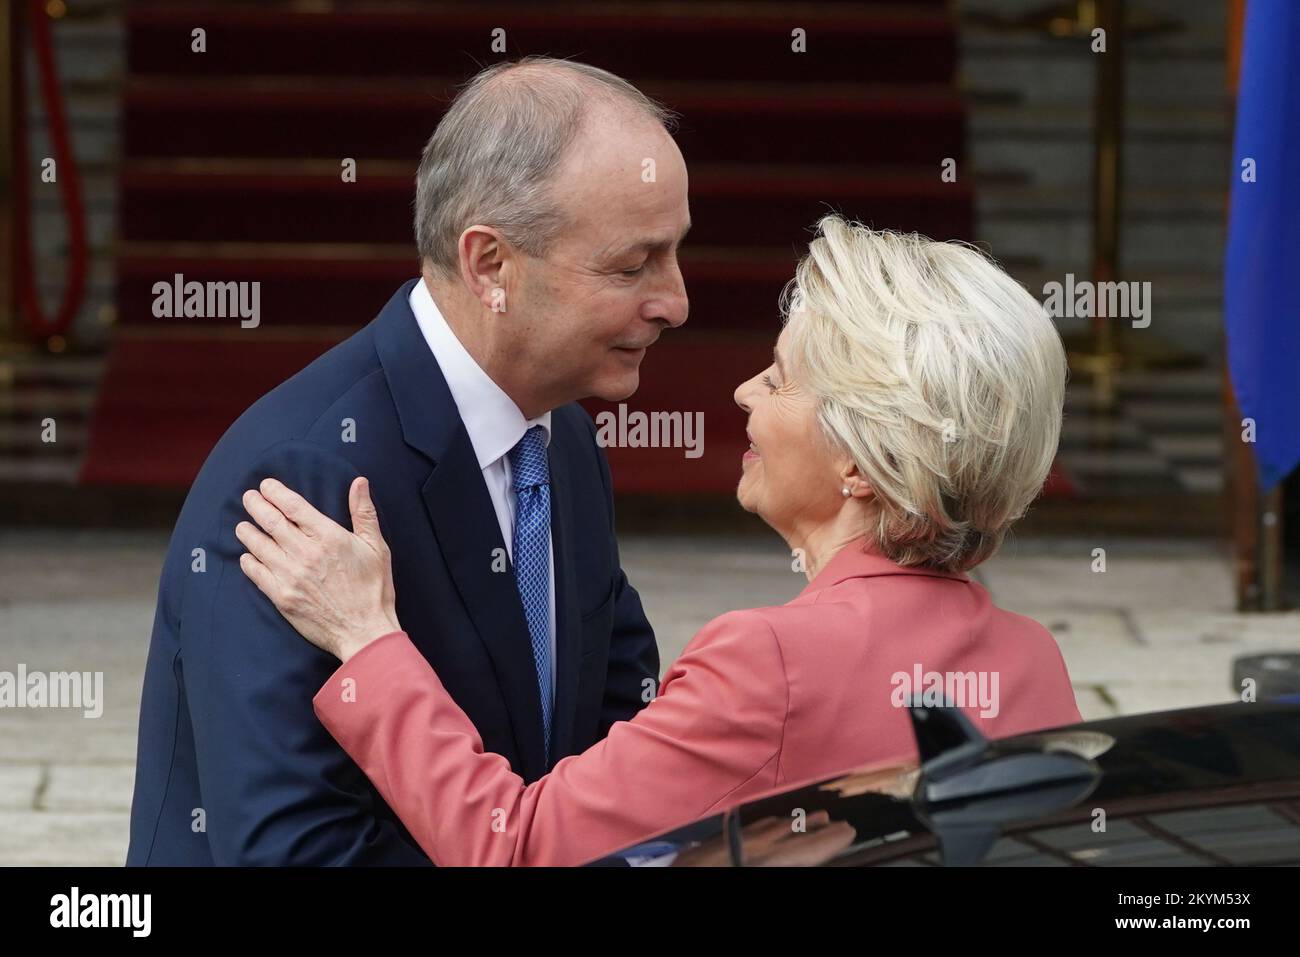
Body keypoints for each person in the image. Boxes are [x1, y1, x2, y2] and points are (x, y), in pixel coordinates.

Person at [236, 215, 1083, 867]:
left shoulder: (771, 661)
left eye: (782, 378)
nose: (748, 391)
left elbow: (516, 846)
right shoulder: (1032, 656)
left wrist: (367, 638)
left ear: (860, 463)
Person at [127, 57, 688, 865]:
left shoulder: (560, 436)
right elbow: (293, 849)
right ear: (490, 264)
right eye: (633, 265)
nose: (675, 300)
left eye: (674, 254)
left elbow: (613, 742)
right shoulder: (304, 479)